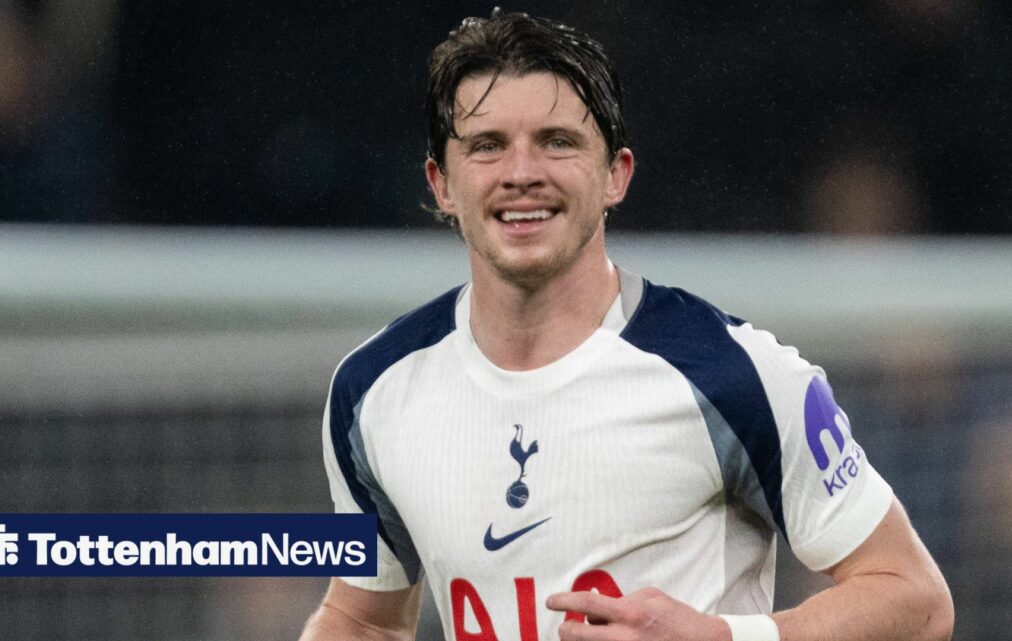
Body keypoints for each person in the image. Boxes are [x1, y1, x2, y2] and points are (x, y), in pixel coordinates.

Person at [299, 10, 953, 641]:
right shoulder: (371, 389)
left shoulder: (734, 374)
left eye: (557, 141)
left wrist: (726, 636)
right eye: (488, 146)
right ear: (442, 184)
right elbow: (364, 618)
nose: (522, 174)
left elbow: (916, 601)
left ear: (616, 174)